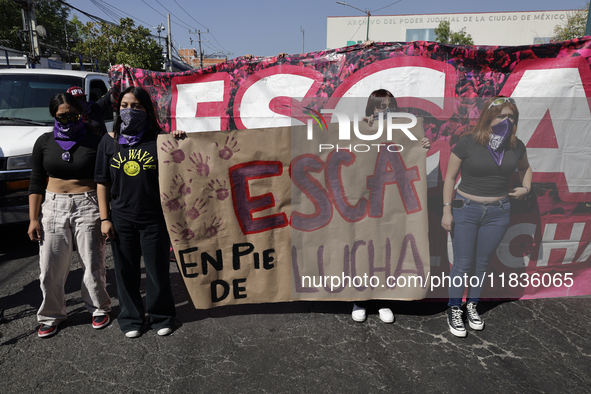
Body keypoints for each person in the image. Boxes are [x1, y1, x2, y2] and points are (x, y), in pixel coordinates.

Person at [441, 96, 532, 338]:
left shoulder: (515, 145)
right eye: (502, 115)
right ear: (489, 117)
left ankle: (471, 306)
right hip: (466, 209)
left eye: (511, 116)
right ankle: (454, 308)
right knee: (462, 264)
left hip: (498, 212)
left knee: (482, 264)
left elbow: (525, 168)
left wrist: (526, 188)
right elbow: (450, 178)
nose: (507, 120)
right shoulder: (468, 142)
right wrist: (446, 209)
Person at [95, 86, 182, 338]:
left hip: (154, 219)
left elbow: (182, 164)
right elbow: (102, 182)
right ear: (117, 108)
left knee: (157, 272)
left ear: (147, 110)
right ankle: (131, 318)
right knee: (125, 273)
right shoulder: (108, 141)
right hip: (121, 219)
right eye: (124, 106)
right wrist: (104, 218)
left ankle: (161, 317)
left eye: (136, 106)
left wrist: (178, 138)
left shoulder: (160, 140)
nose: (129, 111)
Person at [28, 93, 111, 338]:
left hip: (89, 204)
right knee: (50, 265)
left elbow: (105, 180)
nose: (67, 120)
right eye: (61, 116)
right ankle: (51, 314)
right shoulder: (43, 142)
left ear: (82, 114)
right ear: (53, 116)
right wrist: (33, 218)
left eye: (73, 115)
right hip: (53, 206)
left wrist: (107, 216)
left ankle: (98, 307)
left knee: (93, 261)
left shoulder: (96, 141)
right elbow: (35, 181)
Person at [354, 89, 430, 324]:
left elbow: (411, 156)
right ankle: (360, 300)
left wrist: (421, 145)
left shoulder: (404, 131)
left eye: (388, 105)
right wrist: (361, 126)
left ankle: (384, 299)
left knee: (388, 247)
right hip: (367, 198)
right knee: (364, 248)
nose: (383, 110)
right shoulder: (360, 127)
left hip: (393, 199)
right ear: (371, 109)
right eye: (379, 106)